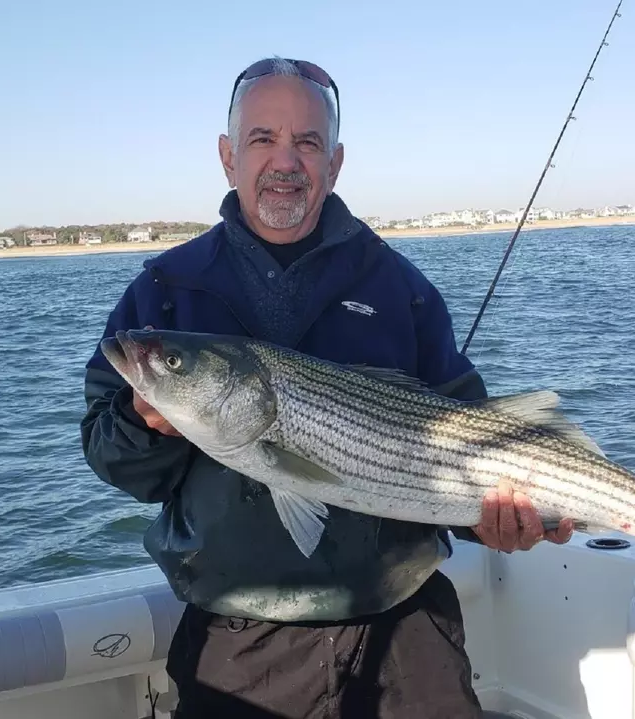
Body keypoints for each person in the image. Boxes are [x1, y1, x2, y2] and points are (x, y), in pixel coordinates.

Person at [80, 56, 574, 719]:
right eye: (262, 139)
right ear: (228, 156)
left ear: (334, 164)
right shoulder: (163, 298)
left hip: (408, 632)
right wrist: (146, 422)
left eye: (307, 142)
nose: (285, 161)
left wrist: (501, 523)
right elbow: (112, 455)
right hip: (239, 640)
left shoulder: (400, 288)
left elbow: (473, 438)